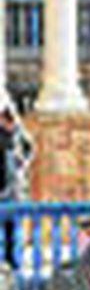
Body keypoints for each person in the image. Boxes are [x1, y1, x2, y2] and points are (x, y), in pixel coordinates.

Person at [0, 94, 34, 268]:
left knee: (11, 229)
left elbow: (30, 149)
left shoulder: (18, 135)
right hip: (4, 186)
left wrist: (22, 163)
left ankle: (10, 260)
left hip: (12, 187)